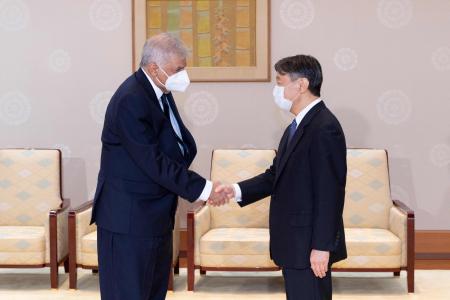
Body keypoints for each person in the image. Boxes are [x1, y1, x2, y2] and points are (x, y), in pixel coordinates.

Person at [90, 33, 227, 300]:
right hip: (129, 220)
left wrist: (191, 184)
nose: (183, 75)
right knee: (129, 294)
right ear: (155, 68)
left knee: (152, 292)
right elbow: (153, 161)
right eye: (179, 69)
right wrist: (204, 189)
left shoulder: (159, 91)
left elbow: (173, 147)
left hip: (154, 216)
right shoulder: (131, 99)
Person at [216, 55, 347, 300]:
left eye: (279, 82)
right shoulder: (296, 126)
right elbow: (275, 176)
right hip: (295, 243)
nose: (276, 89)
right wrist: (235, 190)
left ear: (301, 85)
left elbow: (330, 193)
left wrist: (321, 247)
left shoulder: (323, 127)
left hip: (309, 245)